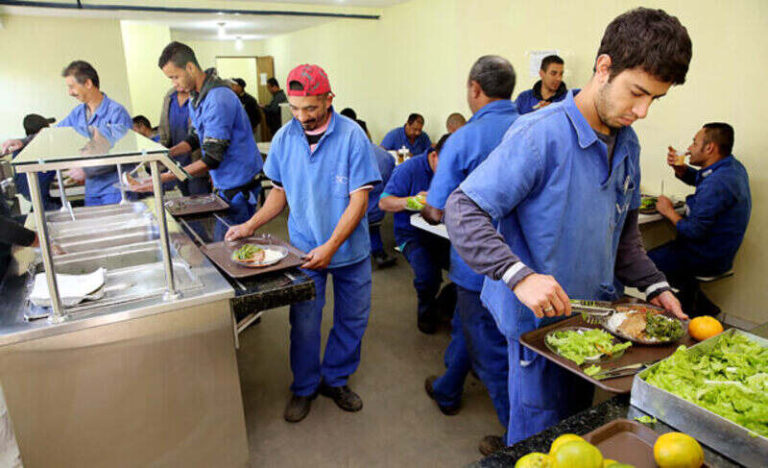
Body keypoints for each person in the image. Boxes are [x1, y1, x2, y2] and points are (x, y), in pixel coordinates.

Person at [443, 8, 691, 448]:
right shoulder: (539, 135)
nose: (643, 111)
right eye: (637, 93)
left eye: (655, 99)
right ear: (604, 67)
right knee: (541, 438)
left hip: (594, 321)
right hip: (537, 327)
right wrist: (518, 276)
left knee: (578, 431)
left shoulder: (627, 141)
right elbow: (463, 210)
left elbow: (623, 233)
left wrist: (654, 285)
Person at [224, 64, 380, 423]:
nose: (301, 116)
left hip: (349, 253)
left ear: (329, 98)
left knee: (352, 319)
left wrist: (331, 246)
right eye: (294, 108)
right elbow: (279, 194)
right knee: (306, 323)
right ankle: (305, 386)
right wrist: (249, 224)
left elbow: (359, 201)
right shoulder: (284, 138)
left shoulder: (352, 137)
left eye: (310, 108)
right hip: (304, 251)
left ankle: (336, 379)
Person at [420, 55, 521, 456]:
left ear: (474, 89)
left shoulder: (465, 138)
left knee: (492, 350)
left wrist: (429, 205)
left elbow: (438, 208)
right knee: (470, 329)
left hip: (477, 266)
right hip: (525, 263)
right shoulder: (532, 127)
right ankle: (447, 390)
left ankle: (521, 437)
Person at [130, 42, 262, 224]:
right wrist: (168, 153)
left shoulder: (218, 98)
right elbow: (194, 138)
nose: (174, 84)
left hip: (239, 185)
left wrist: (164, 177)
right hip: (224, 183)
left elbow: (212, 158)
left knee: (231, 243)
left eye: (175, 77)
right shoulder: (196, 98)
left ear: (190, 67)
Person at [649, 123, 751, 317]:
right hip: (721, 252)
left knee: (643, 265)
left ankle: (681, 312)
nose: (688, 149)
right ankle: (698, 306)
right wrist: (681, 170)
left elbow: (694, 231)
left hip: (705, 256)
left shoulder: (718, 182)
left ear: (709, 148)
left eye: (694, 143)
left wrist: (669, 211)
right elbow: (702, 179)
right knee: (666, 266)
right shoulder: (730, 168)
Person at [2, 61, 133, 206]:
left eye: (72, 87)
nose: (69, 92)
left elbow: (124, 154)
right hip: (92, 191)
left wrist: (86, 169)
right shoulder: (78, 114)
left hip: (117, 190)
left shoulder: (116, 113)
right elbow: (53, 135)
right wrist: (23, 142)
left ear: (88, 83)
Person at [379, 134, 451, 332]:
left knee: (469, 272)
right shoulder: (409, 169)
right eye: (446, 167)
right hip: (412, 235)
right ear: (434, 155)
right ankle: (426, 311)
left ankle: (444, 304)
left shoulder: (455, 168)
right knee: (428, 276)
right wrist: (414, 202)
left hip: (445, 233)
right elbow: (384, 202)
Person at [157, 87, 211, 196]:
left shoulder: (202, 96)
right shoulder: (170, 96)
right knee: (186, 200)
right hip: (177, 163)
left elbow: (202, 137)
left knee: (200, 202)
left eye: (176, 77)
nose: (174, 82)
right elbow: (163, 129)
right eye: (171, 78)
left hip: (198, 163)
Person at [9, 114, 60, 211]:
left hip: (29, 196)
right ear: (41, 132)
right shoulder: (38, 150)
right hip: (41, 200)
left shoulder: (18, 149)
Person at [368, 143, 396, 268]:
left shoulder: (344, 153)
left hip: (351, 212)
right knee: (373, 228)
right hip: (377, 210)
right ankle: (379, 253)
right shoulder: (385, 155)